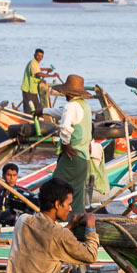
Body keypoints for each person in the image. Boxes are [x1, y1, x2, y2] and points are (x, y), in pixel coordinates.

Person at [52, 74, 95, 206]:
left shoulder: (70, 106)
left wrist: (65, 144)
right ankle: (76, 221)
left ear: (68, 92)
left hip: (72, 156)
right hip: (84, 159)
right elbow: (61, 113)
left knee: (54, 186)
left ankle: (55, 220)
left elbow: (65, 127)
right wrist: (43, 110)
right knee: (76, 195)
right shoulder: (85, 106)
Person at [20, 49, 54, 115]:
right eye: (38, 55)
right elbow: (38, 73)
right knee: (29, 108)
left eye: (41, 56)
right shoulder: (33, 62)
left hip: (33, 90)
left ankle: (37, 120)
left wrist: (46, 69)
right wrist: (52, 76)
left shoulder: (35, 63)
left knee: (37, 107)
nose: (39, 57)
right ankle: (28, 121)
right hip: (29, 90)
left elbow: (37, 69)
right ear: (34, 55)